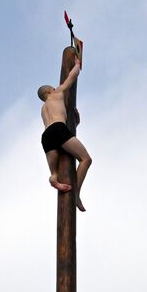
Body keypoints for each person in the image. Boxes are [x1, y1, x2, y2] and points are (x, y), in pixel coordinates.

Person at [38, 56, 92, 212]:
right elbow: (72, 77)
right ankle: (76, 193)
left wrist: (74, 123)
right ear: (49, 91)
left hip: (47, 136)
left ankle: (53, 178)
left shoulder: (43, 110)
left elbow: (58, 121)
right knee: (86, 159)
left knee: (54, 173)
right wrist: (77, 64)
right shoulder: (56, 94)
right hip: (58, 130)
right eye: (52, 88)